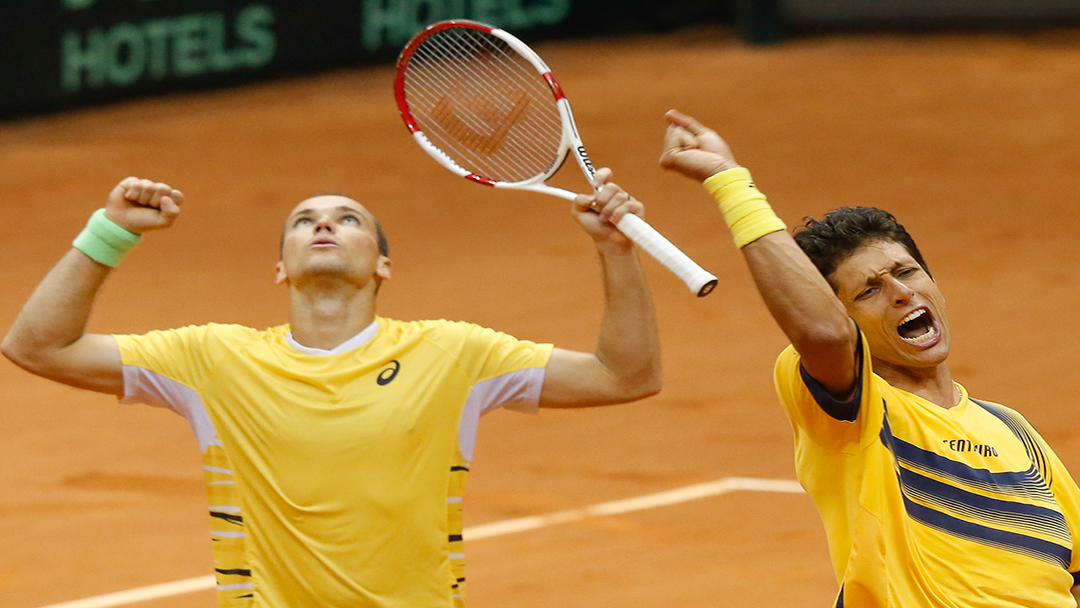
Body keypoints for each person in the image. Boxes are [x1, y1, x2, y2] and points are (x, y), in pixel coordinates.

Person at [1, 169, 661, 608]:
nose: (323, 224)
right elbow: (36, 346)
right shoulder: (213, 359)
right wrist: (110, 233)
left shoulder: (455, 353)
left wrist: (615, 252)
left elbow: (626, 375)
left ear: (383, 265)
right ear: (280, 268)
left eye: (348, 219)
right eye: (304, 220)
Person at [658, 109, 1080, 607]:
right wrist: (730, 182)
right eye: (869, 291)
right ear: (846, 321)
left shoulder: (1012, 429)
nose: (901, 293)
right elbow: (822, 332)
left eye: (907, 271)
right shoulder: (855, 415)